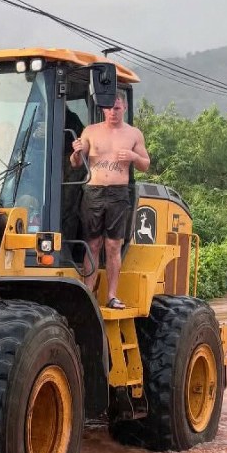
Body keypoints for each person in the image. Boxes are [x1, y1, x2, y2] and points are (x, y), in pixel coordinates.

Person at [70, 91, 149, 309]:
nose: (113, 112)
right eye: (109, 108)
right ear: (103, 109)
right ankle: (88, 293)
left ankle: (112, 295)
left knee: (113, 245)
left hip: (118, 192)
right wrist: (76, 151)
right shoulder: (91, 131)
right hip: (94, 190)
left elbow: (145, 164)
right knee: (93, 244)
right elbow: (76, 162)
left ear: (124, 107)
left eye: (117, 108)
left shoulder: (133, 134)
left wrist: (133, 157)